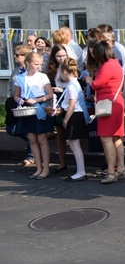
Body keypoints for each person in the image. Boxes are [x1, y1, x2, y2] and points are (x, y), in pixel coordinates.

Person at [86, 41, 125, 184]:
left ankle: (111, 171)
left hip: (108, 105)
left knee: (106, 138)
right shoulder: (116, 63)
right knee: (117, 138)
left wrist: (90, 80)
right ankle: (121, 168)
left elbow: (97, 84)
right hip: (116, 103)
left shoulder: (107, 65)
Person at [13, 52, 55, 179]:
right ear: (28, 63)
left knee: (42, 139)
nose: (39, 67)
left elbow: (50, 94)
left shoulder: (42, 77)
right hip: (27, 110)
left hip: (39, 108)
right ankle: (38, 168)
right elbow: (16, 95)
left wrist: (36, 100)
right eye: (36, 64)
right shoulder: (20, 78)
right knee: (32, 139)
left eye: (40, 64)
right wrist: (20, 101)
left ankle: (46, 168)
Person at [57, 58, 89, 182]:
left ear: (65, 71)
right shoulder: (75, 82)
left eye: (60, 72)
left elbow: (71, 104)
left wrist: (65, 120)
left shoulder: (71, 85)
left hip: (74, 115)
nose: (60, 75)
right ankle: (80, 171)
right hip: (77, 115)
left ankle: (81, 171)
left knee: (74, 145)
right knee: (74, 145)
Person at [46, 45, 70, 173]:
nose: (61, 59)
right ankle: (62, 162)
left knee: (73, 134)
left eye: (63, 55)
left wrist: (63, 90)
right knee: (60, 133)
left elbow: (75, 84)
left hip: (69, 99)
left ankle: (79, 163)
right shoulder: (52, 69)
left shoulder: (71, 66)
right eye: (58, 56)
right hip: (58, 100)